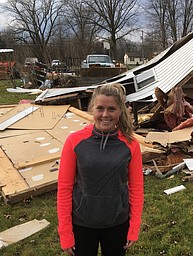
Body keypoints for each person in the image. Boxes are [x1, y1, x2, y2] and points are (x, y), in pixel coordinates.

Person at [57, 83, 144, 256]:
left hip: (117, 224)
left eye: (111, 109)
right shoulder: (74, 141)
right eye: (100, 108)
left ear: (120, 111)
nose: (105, 114)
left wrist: (134, 227)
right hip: (82, 224)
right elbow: (64, 189)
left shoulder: (131, 145)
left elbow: (136, 188)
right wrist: (65, 233)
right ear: (92, 110)